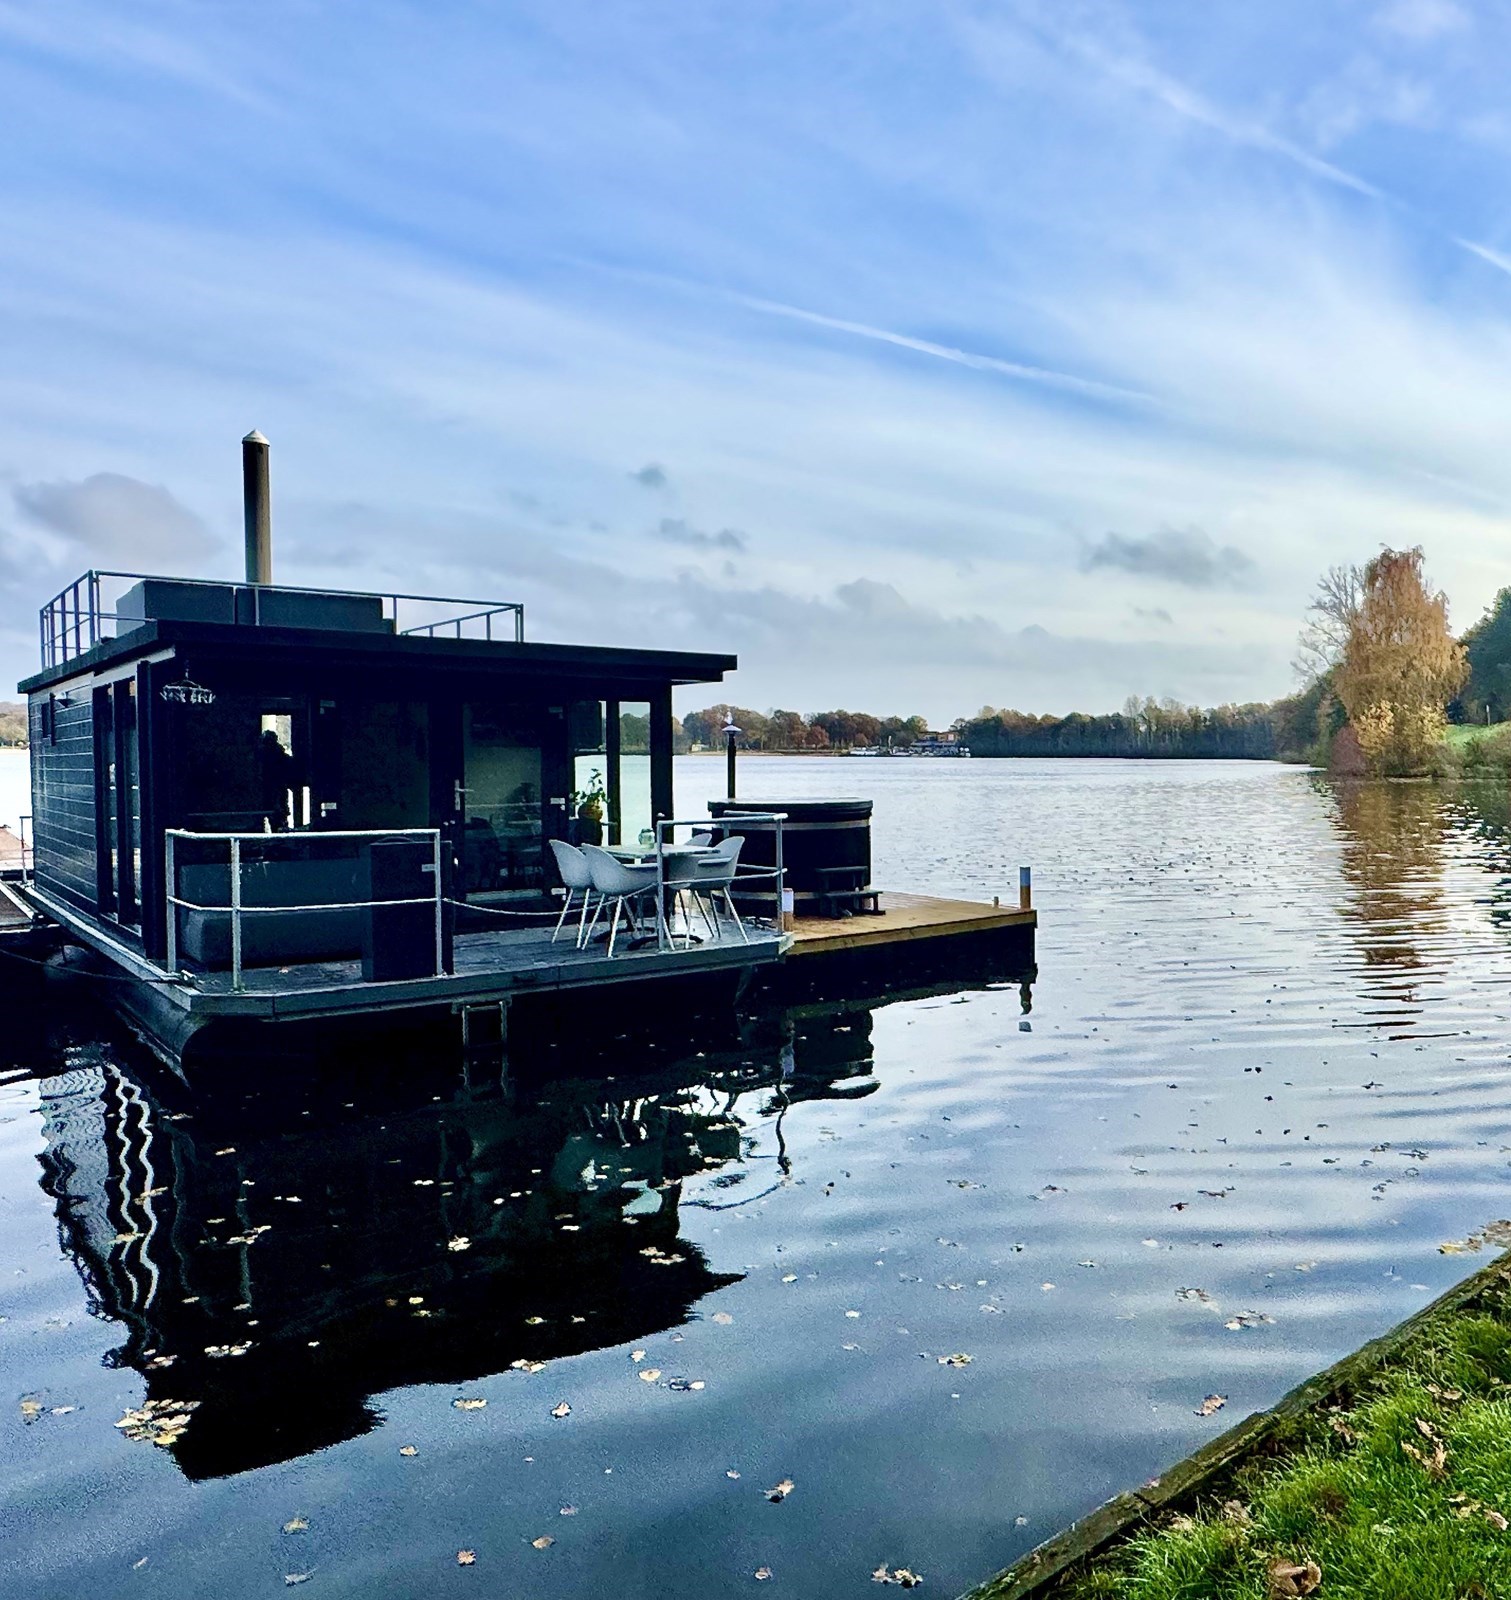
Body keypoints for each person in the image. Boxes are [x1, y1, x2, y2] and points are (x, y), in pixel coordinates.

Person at [258, 729, 296, 832]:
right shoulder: (269, 754)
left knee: (278, 815)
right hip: (269, 790)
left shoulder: (273, 754)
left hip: (275, 789)